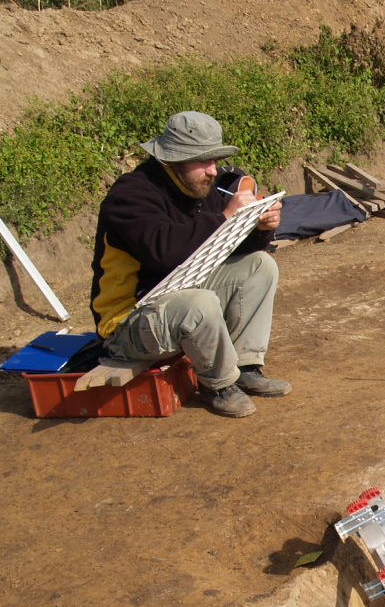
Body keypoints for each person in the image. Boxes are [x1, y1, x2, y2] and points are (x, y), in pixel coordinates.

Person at [89, 111, 288, 418]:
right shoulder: (129, 196)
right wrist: (224, 218)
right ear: (172, 160)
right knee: (199, 301)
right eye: (202, 161)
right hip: (127, 324)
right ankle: (219, 386)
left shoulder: (199, 185)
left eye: (215, 160)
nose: (212, 170)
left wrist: (260, 229)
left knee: (260, 265)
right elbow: (166, 253)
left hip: (175, 303)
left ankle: (246, 366)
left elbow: (223, 246)